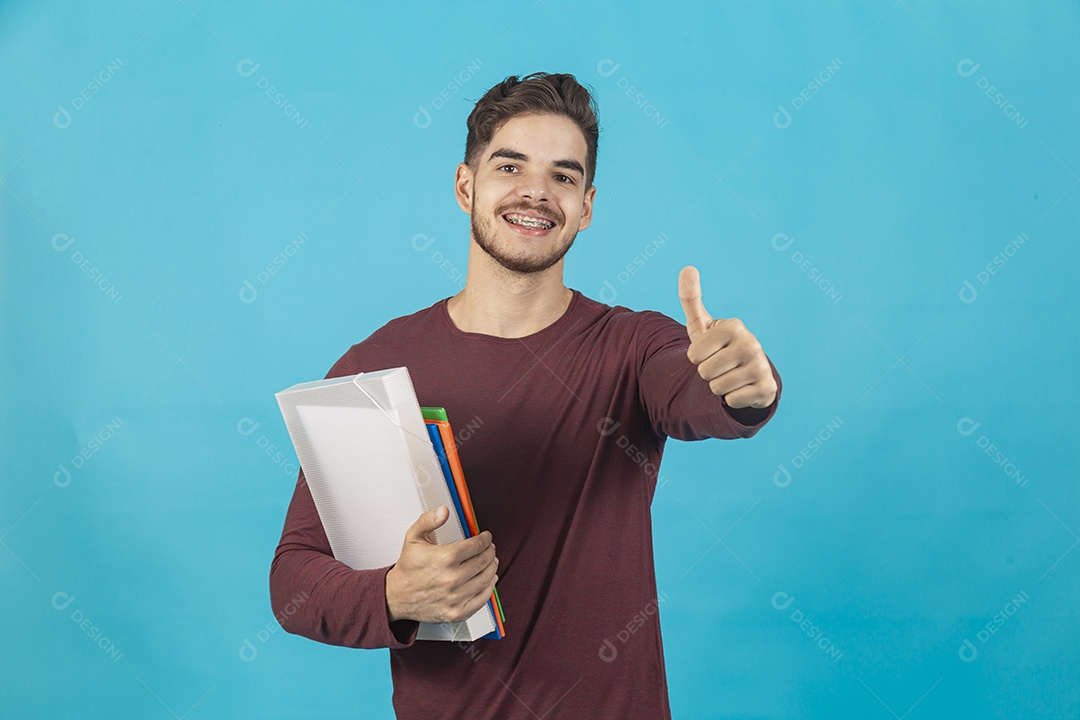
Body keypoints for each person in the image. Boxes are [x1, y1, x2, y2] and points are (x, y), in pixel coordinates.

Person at [269, 71, 782, 719]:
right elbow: (294, 577)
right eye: (510, 166)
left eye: (563, 176)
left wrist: (745, 389)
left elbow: (695, 392)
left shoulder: (634, 347)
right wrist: (394, 594)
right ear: (465, 186)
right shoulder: (375, 367)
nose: (536, 192)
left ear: (587, 206)